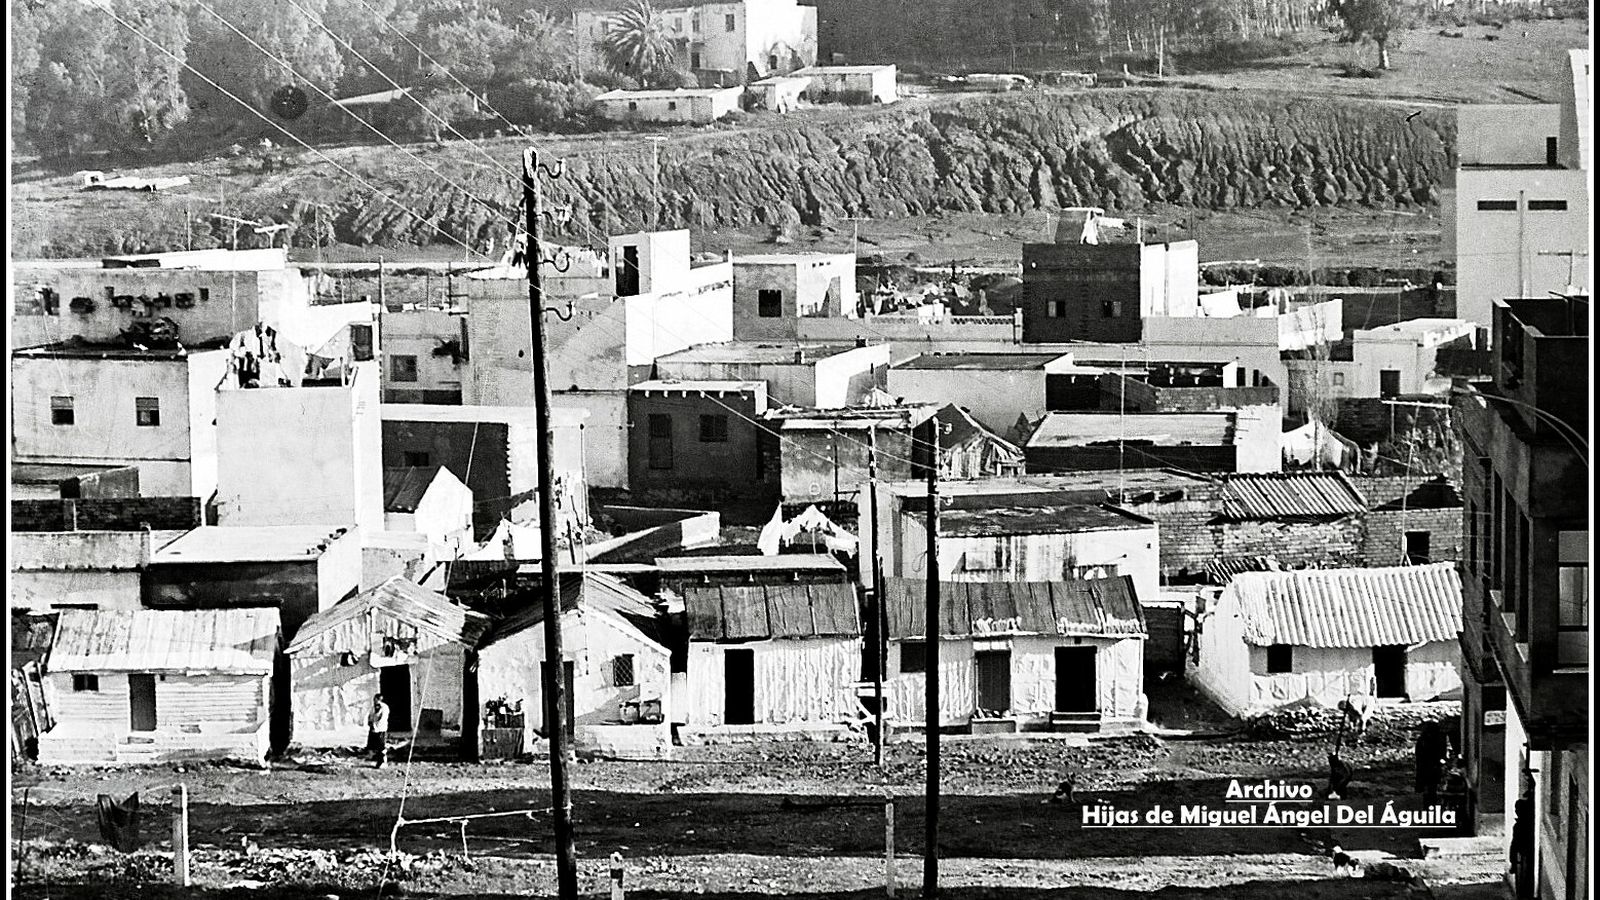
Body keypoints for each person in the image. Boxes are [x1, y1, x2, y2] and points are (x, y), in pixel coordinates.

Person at [1416, 721, 1449, 803]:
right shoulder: (1440, 738)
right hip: (1434, 766)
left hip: (1425, 766)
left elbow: (1418, 754)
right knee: (1432, 786)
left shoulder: (1422, 739)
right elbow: (1442, 753)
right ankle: (1431, 801)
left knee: (1427, 786)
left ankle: (1427, 801)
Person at [368, 694, 390, 769]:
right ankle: (378, 762)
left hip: (381, 729)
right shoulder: (373, 707)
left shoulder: (384, 707)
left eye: (375, 699)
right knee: (376, 746)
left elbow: (382, 718)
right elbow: (371, 716)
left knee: (381, 746)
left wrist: (376, 726)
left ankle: (383, 762)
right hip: (374, 729)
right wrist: (371, 724)